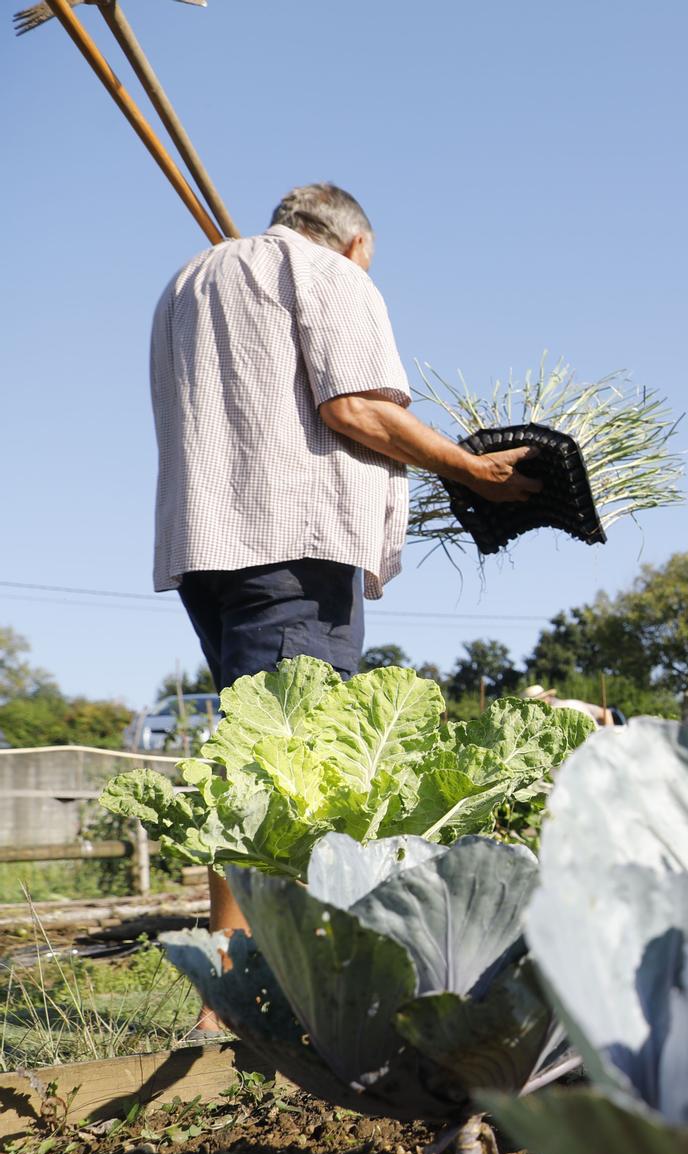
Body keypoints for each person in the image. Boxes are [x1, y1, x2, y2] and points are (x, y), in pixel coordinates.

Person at [149, 182, 540, 1024]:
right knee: (298, 772)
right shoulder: (331, 276)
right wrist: (474, 472)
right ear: (356, 245)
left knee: (247, 762)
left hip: (206, 542)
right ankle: (262, 996)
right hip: (293, 541)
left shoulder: (191, 279)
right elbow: (354, 406)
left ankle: (237, 980)